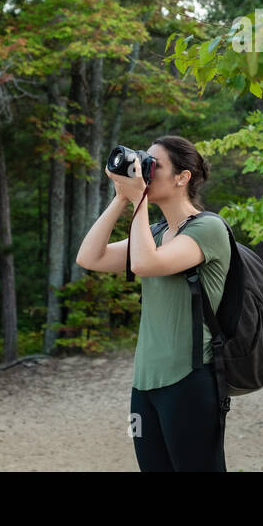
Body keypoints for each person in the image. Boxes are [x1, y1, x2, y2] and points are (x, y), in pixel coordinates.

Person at [74, 134, 231, 471]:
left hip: (189, 380)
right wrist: (121, 198)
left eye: (154, 165)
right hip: (144, 384)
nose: (145, 171)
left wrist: (138, 200)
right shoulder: (156, 233)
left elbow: (144, 264)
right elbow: (90, 257)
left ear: (182, 177)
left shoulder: (208, 229)